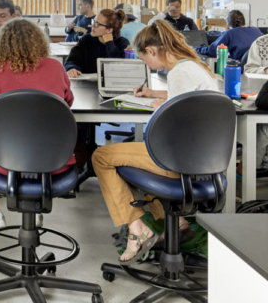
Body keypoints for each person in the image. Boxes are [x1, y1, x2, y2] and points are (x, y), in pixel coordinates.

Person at [91, 20, 219, 263]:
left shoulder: (179, 72)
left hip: (178, 160)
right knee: (135, 158)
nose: (145, 65)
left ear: (151, 51)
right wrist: (155, 95)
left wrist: (162, 109)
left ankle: (137, 229)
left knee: (102, 157)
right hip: (201, 158)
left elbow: (170, 128)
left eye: (143, 59)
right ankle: (177, 224)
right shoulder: (190, 67)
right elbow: (187, 98)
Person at [0, 18, 74, 234]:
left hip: (5, 162)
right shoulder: (55, 68)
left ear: (2, 44)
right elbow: (67, 103)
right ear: (39, 41)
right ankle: (35, 209)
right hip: (53, 163)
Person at [65, 8, 129, 78]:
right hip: (86, 85)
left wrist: (109, 44)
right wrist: (71, 68)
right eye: (93, 22)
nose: (92, 26)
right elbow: (71, 60)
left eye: (97, 24)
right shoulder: (86, 40)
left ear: (109, 30)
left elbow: (120, 68)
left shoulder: (122, 43)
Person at [197, 10, 261, 62]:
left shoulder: (230, 33)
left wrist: (197, 49)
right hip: (257, 67)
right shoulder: (256, 30)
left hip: (239, 69)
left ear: (228, 23)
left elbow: (213, 51)